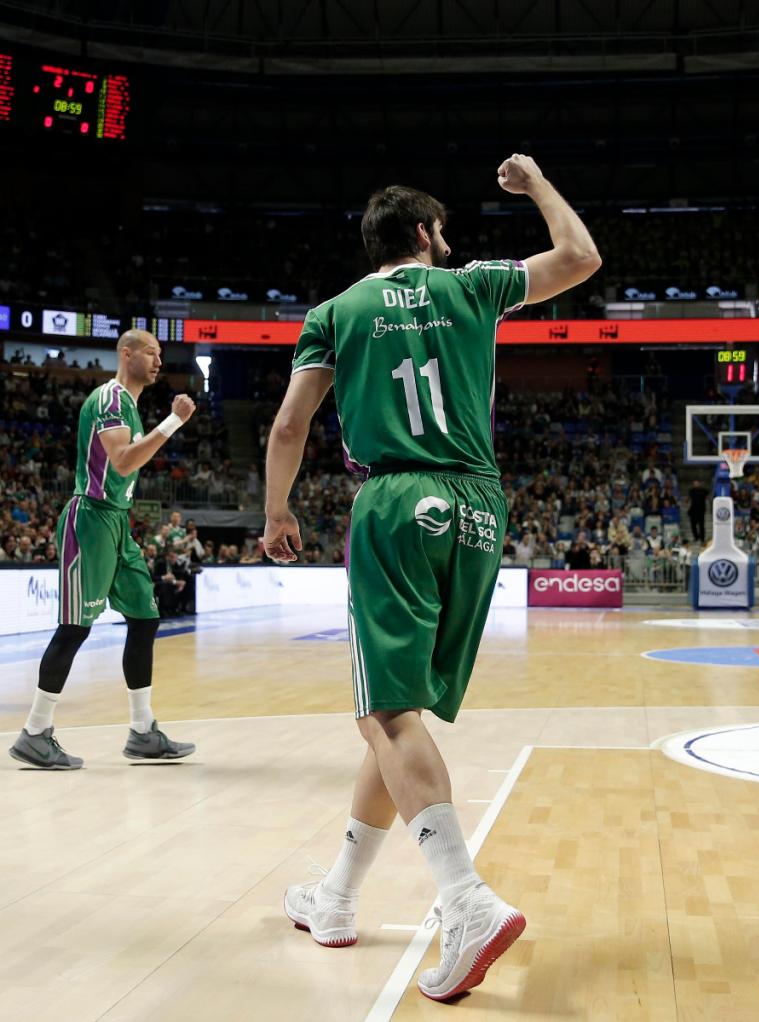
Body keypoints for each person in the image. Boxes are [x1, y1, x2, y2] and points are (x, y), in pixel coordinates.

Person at [264, 154, 600, 1001]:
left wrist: (276, 511)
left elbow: (289, 423)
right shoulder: (475, 287)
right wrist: (536, 187)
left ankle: (465, 899)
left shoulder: (335, 312)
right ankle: (336, 898)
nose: (449, 242)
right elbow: (579, 256)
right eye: (442, 230)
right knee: (395, 713)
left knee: (385, 712)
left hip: (396, 498)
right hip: (480, 505)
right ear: (422, 233)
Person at [9, 330, 198, 770]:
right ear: (126, 353)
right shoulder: (110, 399)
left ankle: (142, 730)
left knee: (146, 618)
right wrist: (172, 422)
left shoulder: (127, 404)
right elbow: (124, 461)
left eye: (160, 354)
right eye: (151, 352)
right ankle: (35, 732)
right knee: (75, 628)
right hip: (89, 520)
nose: (158, 360)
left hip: (117, 521)